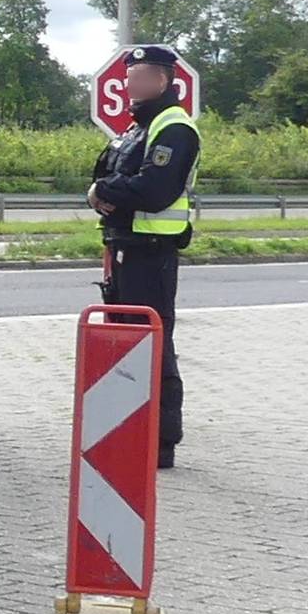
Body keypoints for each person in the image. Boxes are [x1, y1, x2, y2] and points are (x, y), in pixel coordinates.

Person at [89, 44, 201, 469]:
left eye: (137, 77)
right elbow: (105, 177)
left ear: (161, 80)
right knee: (126, 345)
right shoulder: (136, 128)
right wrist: (102, 192)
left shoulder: (174, 129)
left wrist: (105, 192)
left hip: (151, 253)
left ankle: (160, 442)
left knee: (153, 345)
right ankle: (129, 432)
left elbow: (154, 191)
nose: (129, 84)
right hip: (125, 247)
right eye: (128, 77)